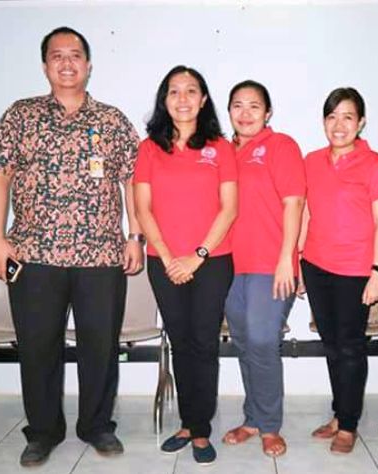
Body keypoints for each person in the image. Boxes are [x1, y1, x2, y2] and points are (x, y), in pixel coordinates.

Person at [0, 26, 142, 466]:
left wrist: (135, 236)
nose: (67, 63)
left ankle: (97, 426)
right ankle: (43, 431)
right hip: (33, 255)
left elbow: (133, 180)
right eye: (57, 55)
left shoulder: (111, 120)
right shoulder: (21, 115)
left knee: (101, 347)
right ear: (44, 65)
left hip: (101, 255)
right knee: (37, 348)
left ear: (88, 65)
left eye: (75, 55)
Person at [133, 65, 237, 466]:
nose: (182, 98)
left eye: (191, 90)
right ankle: (189, 423)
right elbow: (142, 208)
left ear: (203, 99)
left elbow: (229, 208)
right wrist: (168, 256)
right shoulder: (149, 149)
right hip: (164, 262)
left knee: (204, 343)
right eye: (174, 91)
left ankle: (200, 428)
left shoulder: (220, 148)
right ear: (165, 99)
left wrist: (197, 255)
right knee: (180, 342)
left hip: (212, 261)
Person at [300, 87, 378, 455]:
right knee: (332, 346)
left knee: (351, 347)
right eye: (332, 117)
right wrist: (298, 258)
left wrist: (377, 272)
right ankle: (340, 414)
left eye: (348, 117)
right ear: (324, 121)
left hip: (356, 270)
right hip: (316, 266)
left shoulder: (374, 164)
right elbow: (306, 212)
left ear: (361, 122)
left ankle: (349, 425)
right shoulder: (311, 161)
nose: (339, 125)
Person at [220, 80, 305, 458]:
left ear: (267, 112)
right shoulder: (222, 152)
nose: (245, 113)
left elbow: (294, 203)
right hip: (228, 266)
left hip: (271, 265)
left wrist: (288, 257)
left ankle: (269, 426)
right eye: (237, 105)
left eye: (254, 106)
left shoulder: (280, 145)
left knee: (262, 341)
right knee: (243, 343)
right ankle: (252, 419)